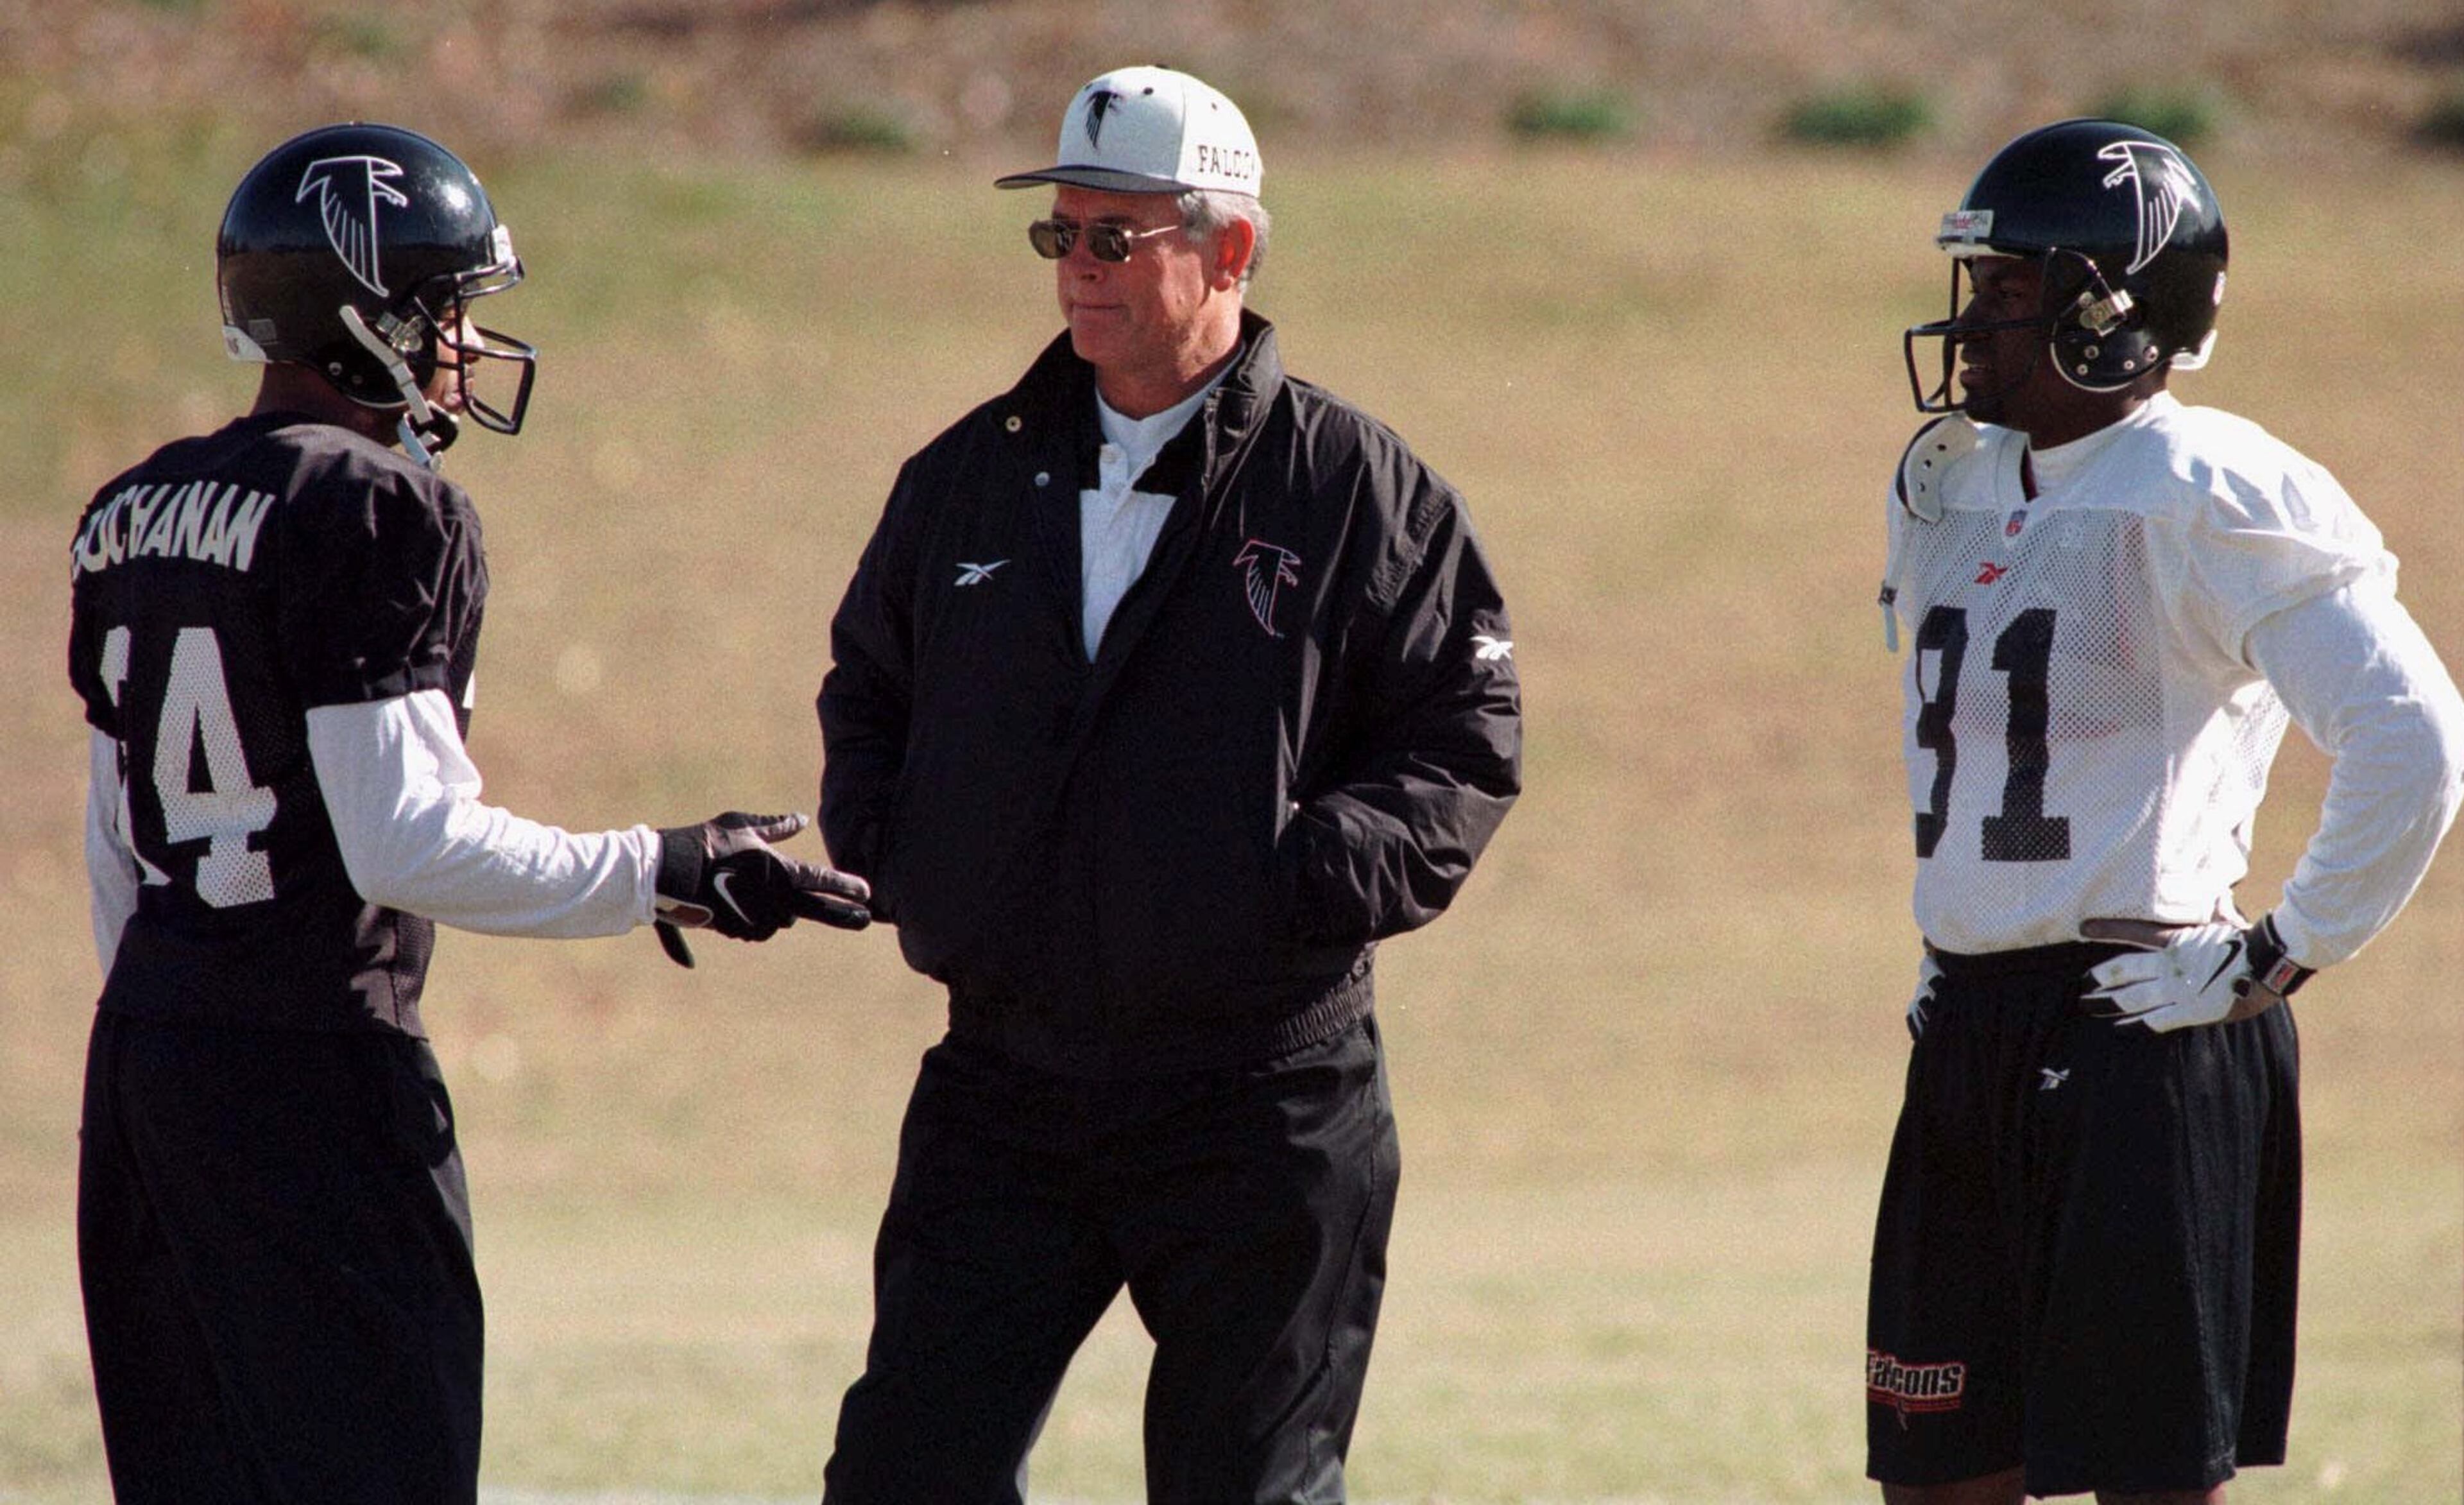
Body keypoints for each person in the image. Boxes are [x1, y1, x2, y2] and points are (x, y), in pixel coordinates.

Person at [67, 122, 871, 1505]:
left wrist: (191, 1027)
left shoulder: (134, 509)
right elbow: (405, 840)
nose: (463, 347)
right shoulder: (378, 507)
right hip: (313, 1072)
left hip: (147, 1061)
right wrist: (663, 867)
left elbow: (112, 853)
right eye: (446, 312)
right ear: (370, 318)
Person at [814, 64, 1521, 1503]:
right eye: (1059, 236)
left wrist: (1293, 880)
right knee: (903, 1477)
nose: (1076, 270)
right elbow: (867, 692)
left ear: (1234, 250)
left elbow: (1463, 741)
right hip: (1006, 1086)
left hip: (1261, 1105)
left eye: (1114, 237)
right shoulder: (964, 477)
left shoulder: (1358, 491)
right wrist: (913, 860)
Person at [1869, 117, 2464, 1504]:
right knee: (1935, 1472)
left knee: (2148, 1480)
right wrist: (1971, 934)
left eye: (2010, 291)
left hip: (2146, 1013)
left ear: (2111, 315)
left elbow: (2414, 735)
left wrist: (2282, 949)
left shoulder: (2210, 488)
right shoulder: (1946, 478)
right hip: (1970, 1019)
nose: (1970, 324)